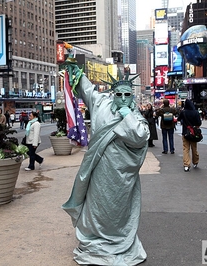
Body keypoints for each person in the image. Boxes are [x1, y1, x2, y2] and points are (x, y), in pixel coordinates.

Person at [62, 65, 150, 265]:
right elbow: (88, 91)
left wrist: (127, 114)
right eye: (118, 94)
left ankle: (118, 241)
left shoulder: (136, 117)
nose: (122, 97)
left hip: (121, 177)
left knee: (117, 210)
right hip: (100, 170)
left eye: (127, 94)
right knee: (96, 207)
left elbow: (139, 137)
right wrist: (78, 73)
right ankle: (94, 240)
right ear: (113, 93)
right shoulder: (101, 104)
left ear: (132, 96)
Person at [178, 99, 202, 172]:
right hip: (194, 133)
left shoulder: (183, 112)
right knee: (194, 148)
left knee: (186, 149)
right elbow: (199, 123)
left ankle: (186, 165)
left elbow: (179, 119)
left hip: (185, 132)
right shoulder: (196, 112)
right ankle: (195, 162)